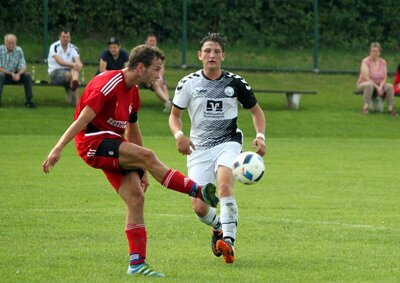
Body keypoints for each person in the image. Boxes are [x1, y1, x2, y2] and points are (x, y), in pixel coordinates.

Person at [42, 44, 218, 277]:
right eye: (156, 69)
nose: (158, 75)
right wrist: (57, 148)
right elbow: (83, 120)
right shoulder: (109, 84)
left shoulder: (133, 92)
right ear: (140, 67)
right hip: (92, 143)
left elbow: (133, 133)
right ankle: (198, 190)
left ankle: (136, 264)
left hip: (114, 145)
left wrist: (142, 169)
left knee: (136, 197)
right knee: (149, 155)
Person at [168, 33, 266, 264]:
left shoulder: (236, 83)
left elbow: (256, 112)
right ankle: (219, 228)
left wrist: (260, 137)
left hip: (228, 142)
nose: (212, 55)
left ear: (223, 56)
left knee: (224, 185)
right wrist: (179, 135)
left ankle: (229, 242)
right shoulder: (188, 83)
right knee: (200, 206)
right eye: (208, 51)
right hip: (198, 148)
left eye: (217, 51)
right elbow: (175, 116)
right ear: (200, 55)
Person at [356, 42, 397, 116]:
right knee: (369, 85)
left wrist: (381, 86)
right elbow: (367, 78)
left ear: (379, 52)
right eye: (373, 51)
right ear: (370, 52)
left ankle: (390, 109)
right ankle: (365, 108)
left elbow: (384, 77)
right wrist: (377, 88)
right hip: (364, 83)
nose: (374, 53)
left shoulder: (383, 62)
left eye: (376, 51)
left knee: (390, 86)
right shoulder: (365, 61)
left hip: (379, 84)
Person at [48, 29, 83, 106]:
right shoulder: (54, 47)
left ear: (70, 38)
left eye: (67, 37)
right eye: (63, 37)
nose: (65, 39)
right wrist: (74, 65)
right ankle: (78, 102)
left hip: (69, 72)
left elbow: (78, 61)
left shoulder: (74, 48)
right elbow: (60, 62)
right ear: (59, 37)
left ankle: (73, 83)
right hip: (55, 73)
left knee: (74, 72)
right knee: (73, 74)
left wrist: (79, 65)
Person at [0, 34, 36, 108]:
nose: (11, 45)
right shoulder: (0, 50)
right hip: (4, 74)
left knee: (27, 76)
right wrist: (10, 73)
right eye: (9, 43)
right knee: (0, 75)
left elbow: (23, 66)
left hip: (16, 74)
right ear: (5, 43)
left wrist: (18, 74)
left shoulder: (19, 50)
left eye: (13, 43)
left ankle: (29, 101)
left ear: (16, 43)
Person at [142, 33, 171, 113]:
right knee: (157, 84)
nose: (152, 43)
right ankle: (168, 103)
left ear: (156, 42)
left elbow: (161, 68)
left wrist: (160, 77)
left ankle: (168, 104)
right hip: (142, 77)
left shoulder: (160, 54)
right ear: (146, 42)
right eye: (150, 41)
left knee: (162, 84)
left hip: (155, 76)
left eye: (153, 41)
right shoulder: (142, 53)